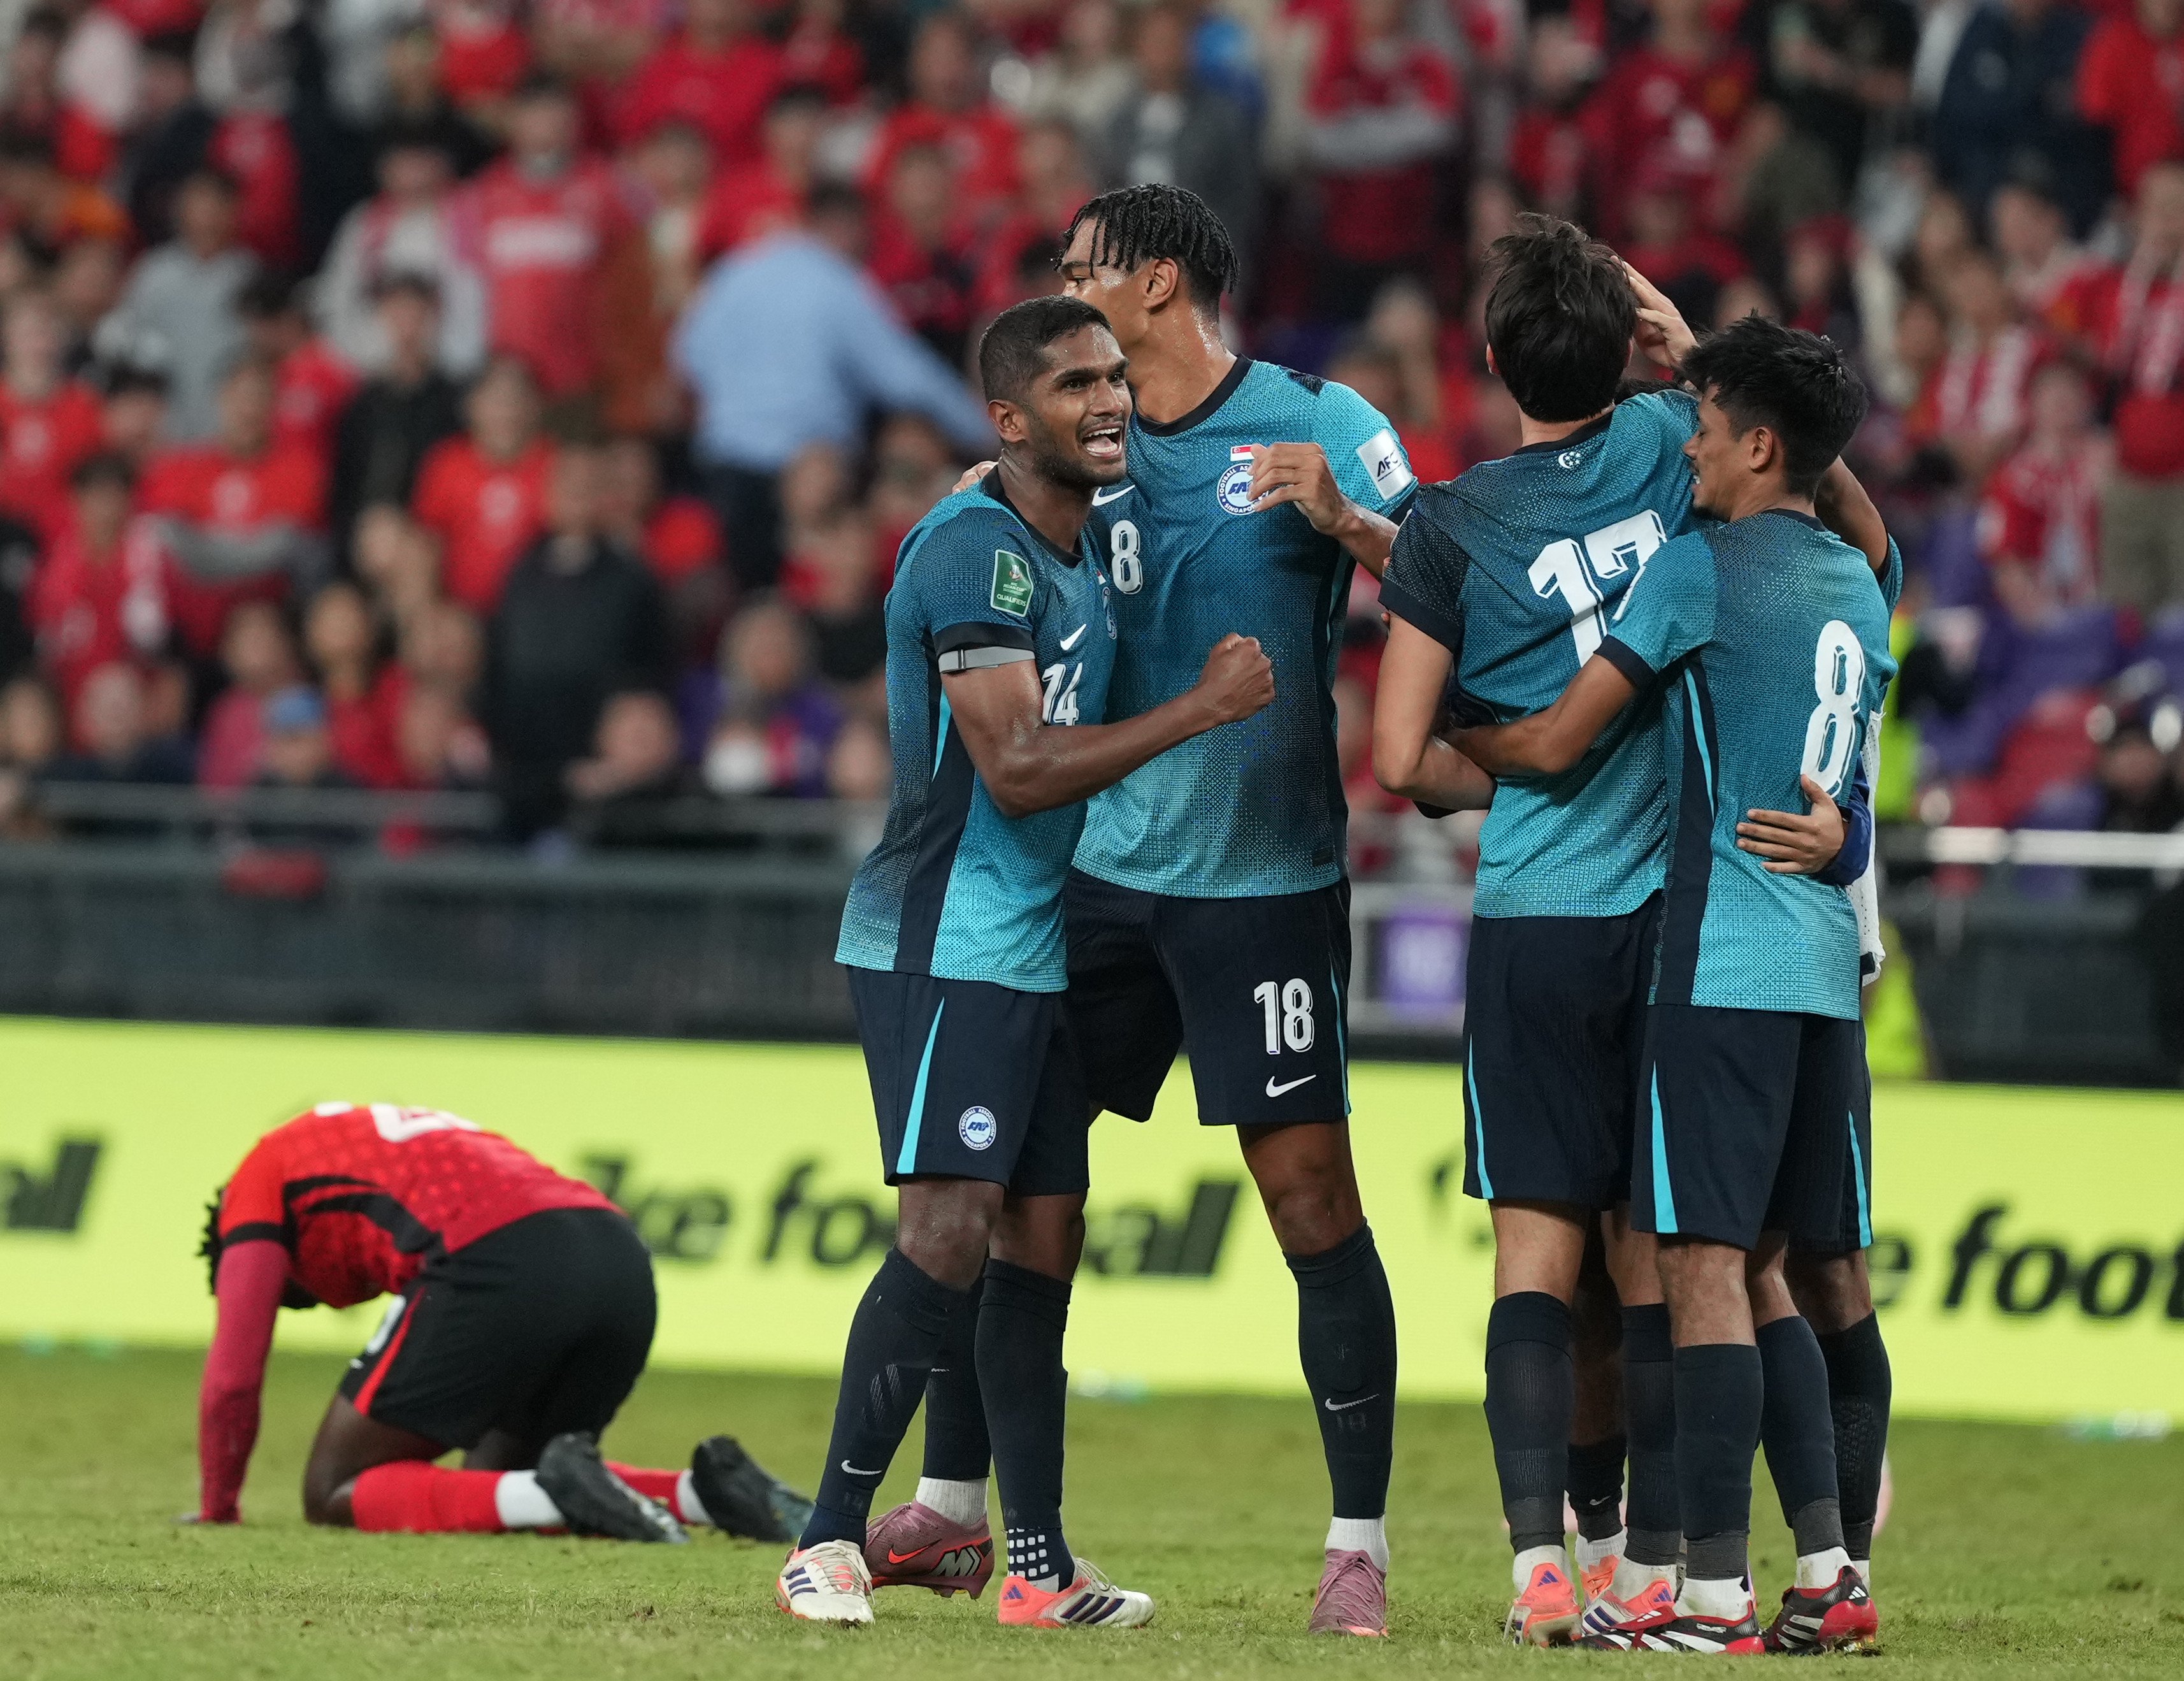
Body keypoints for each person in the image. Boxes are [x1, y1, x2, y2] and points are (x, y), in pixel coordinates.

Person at [774, 294, 1273, 1629]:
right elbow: (1017, 765)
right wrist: (1202, 709)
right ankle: (823, 1538)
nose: (1108, 400)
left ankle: (1038, 1566)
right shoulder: (974, 557)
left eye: (1115, 377)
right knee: (945, 1229)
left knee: (1042, 1239)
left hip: (1032, 943)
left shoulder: (1073, 535)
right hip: (944, 939)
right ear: (1007, 421)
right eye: (1074, 386)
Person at [1446, 315, 1895, 1656]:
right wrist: (1850, 838)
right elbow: (1850, 776)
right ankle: (1832, 1568)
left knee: (1700, 1269)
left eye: (1703, 426)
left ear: (1760, 447)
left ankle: (1704, 1593)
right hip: (1824, 969)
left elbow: (1560, 735)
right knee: (1776, 1274)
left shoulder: (1697, 573)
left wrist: (1432, 741)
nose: (1683, 446)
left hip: (1718, 964)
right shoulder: (1860, 579)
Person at [1052, 182, 1414, 1636]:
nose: (1062, 289)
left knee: (1308, 1198)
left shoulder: (1321, 421)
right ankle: (964, 1507)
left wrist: (1346, 522)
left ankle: (1354, 1543)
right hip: (1096, 877)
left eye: (1079, 269)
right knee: (1008, 1183)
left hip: (1262, 885)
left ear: (1153, 281)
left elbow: (1462, 574)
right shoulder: (1076, 423)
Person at [191, 1099, 812, 1543]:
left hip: (497, 1257)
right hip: (617, 1256)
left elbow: (234, 1376)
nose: (330, 1303)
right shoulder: (362, 1137)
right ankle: (703, 1493)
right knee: (496, 1489)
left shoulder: (260, 1176)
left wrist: (218, 1506)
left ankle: (554, 1493)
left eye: (298, 1296)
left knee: (333, 1488)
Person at [673, 183, 994, 593]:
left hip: (726, 469)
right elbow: (905, 377)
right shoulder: (835, 281)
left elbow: (685, 357)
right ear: (845, 226)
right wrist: (983, 430)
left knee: (751, 598)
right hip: (807, 473)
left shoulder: (734, 272)